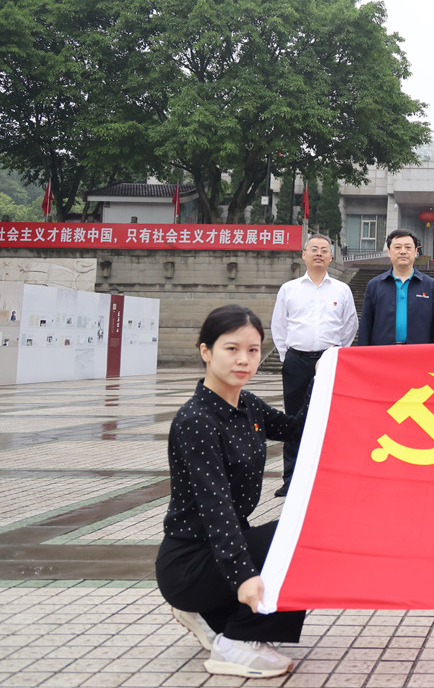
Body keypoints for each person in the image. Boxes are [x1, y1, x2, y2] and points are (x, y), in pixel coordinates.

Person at [156, 305, 306, 679]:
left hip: (219, 553)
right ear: (206, 351)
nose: (244, 360)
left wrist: (327, 377)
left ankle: (209, 614)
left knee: (303, 533)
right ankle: (236, 641)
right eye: (232, 348)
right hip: (190, 562)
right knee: (298, 540)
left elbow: (295, 428)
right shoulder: (196, 420)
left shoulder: (247, 405)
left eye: (253, 350)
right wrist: (244, 576)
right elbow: (216, 507)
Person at [269, 235, 357, 496]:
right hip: (296, 361)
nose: (319, 253)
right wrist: (287, 357)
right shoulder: (289, 289)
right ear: (304, 254)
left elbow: (350, 326)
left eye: (324, 250)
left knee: (330, 419)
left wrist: (334, 355)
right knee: (294, 419)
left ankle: (329, 476)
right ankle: (291, 479)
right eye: (314, 249)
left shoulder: (341, 290)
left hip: (328, 363)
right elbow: (279, 325)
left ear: (331, 257)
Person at [358, 229, 434, 346]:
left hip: (419, 352)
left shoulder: (430, 286)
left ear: (415, 252)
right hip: (383, 352)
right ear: (389, 252)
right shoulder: (375, 285)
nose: (403, 251)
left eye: (408, 247)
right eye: (397, 247)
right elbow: (366, 324)